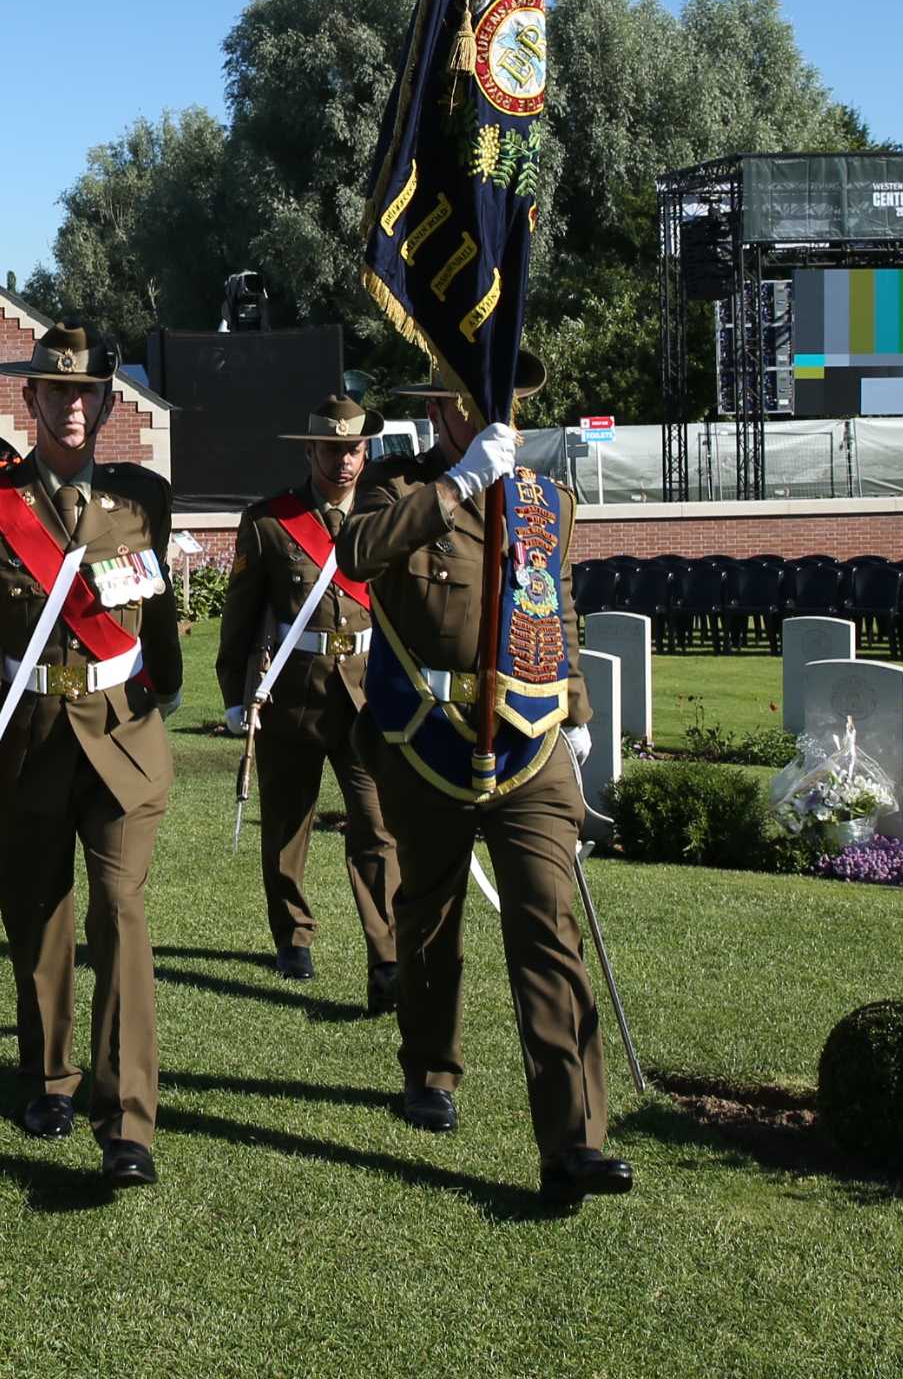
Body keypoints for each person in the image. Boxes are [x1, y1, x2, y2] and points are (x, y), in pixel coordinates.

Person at [337, 351, 632, 1213]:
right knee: (428, 915)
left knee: (548, 926)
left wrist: (575, 712)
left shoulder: (548, 503)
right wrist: (463, 483)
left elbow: (556, 607)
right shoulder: (400, 490)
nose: (483, 411)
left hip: (531, 746)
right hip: (427, 739)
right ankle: (430, 1068)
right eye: (464, 398)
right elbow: (357, 554)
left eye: (494, 400)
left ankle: (574, 1143)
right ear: (439, 408)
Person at [0, 324, 182, 1190]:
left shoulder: (143, 497)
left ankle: (127, 1122)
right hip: (27, 739)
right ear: (28, 401)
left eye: (87, 394)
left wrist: (166, 692)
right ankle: (46, 1076)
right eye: (56, 393)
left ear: (107, 402)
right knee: (39, 922)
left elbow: (161, 612)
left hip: (123, 738)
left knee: (119, 911)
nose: (73, 408)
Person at [216, 391, 399, 1013]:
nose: (345, 462)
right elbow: (239, 620)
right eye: (333, 450)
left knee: (377, 829)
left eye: (354, 450)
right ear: (312, 450)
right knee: (288, 824)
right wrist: (236, 696)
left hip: (369, 694)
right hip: (295, 693)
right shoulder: (271, 521)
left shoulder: (386, 517)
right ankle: (292, 933)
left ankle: (388, 951)